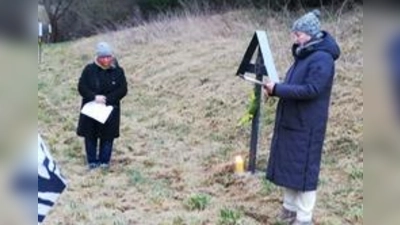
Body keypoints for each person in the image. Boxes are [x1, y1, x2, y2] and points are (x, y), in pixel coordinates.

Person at [263, 10, 340, 225]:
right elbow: (295, 86)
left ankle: (304, 218)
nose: (295, 38)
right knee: (290, 166)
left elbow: (311, 89)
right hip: (293, 121)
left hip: (308, 124)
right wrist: (275, 89)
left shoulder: (322, 58)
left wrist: (278, 89)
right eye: (294, 34)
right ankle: (289, 209)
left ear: (311, 34)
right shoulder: (304, 55)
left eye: (298, 34)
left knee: (305, 172)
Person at [77, 42, 128, 170]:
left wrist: (109, 99)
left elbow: (123, 89)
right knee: (90, 135)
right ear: (98, 58)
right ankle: (92, 162)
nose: (106, 60)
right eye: (103, 57)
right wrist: (94, 97)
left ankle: (104, 162)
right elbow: (82, 87)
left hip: (110, 109)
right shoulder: (89, 70)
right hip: (91, 109)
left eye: (108, 57)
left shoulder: (118, 71)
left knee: (107, 136)